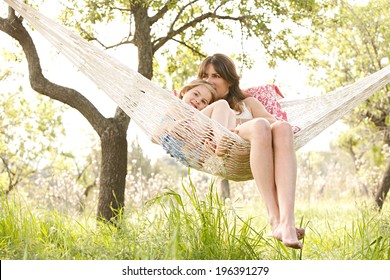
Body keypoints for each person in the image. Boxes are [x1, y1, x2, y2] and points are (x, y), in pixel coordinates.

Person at [197, 53, 304, 249]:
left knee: (282, 128)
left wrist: (243, 120)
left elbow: (275, 122)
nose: (209, 81)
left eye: (215, 76)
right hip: (231, 147)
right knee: (260, 125)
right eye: (205, 76)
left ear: (229, 80)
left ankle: (287, 221)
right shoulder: (203, 104)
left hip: (257, 141)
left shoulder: (249, 103)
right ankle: (275, 217)